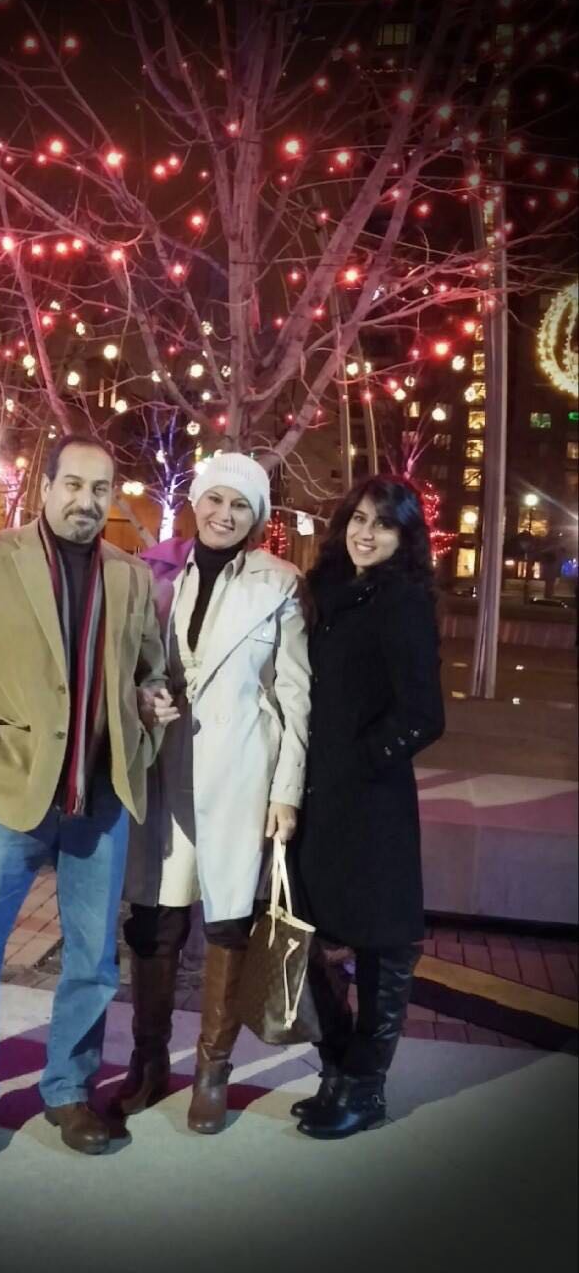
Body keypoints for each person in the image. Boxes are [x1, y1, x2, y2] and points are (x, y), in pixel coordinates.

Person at [0, 435, 174, 1159]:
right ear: (44, 488)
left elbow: (150, 673)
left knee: (93, 961)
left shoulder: (131, 577)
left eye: (99, 489)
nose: (85, 501)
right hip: (8, 788)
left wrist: (147, 717)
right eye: (72, 484)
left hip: (100, 797)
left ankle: (68, 1090)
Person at [120, 453, 311, 1135]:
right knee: (153, 920)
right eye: (214, 501)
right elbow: (130, 667)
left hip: (239, 772)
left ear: (257, 517)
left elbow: (293, 697)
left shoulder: (279, 584)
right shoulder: (150, 572)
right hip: (163, 767)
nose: (224, 515)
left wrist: (285, 792)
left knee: (228, 920)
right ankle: (148, 1064)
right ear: (194, 503)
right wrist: (144, 700)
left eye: (240, 505)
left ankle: (211, 1069)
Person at [291, 475, 445, 1140]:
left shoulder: (401, 602)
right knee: (306, 936)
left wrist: (362, 759)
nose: (365, 532)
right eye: (358, 518)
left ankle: (364, 1087)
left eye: (383, 525)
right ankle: (334, 1068)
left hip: (372, 805)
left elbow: (423, 714)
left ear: (403, 538)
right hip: (316, 800)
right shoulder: (325, 591)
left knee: (381, 944)